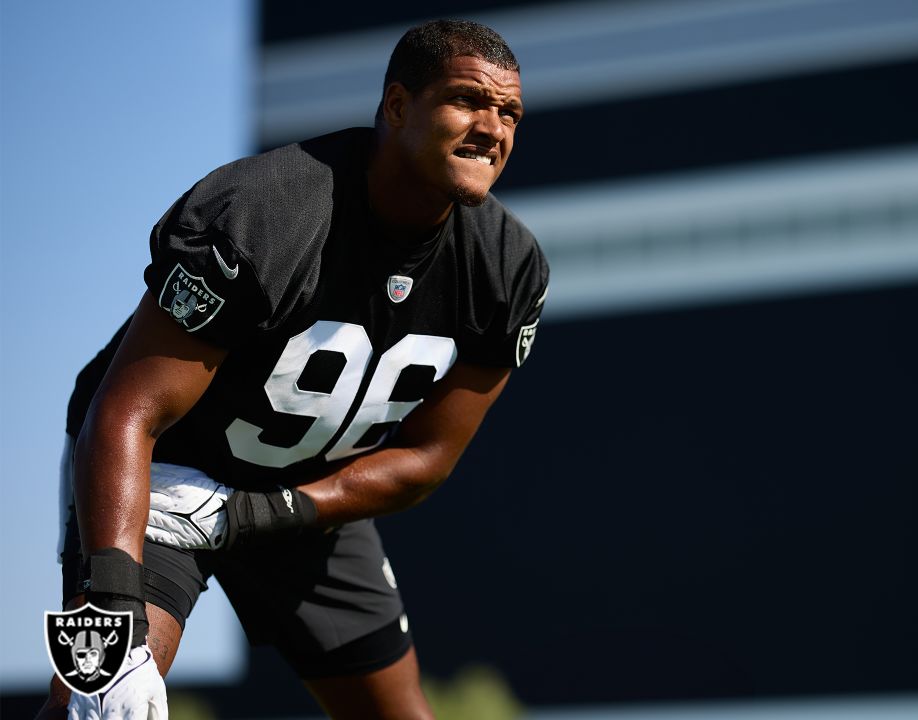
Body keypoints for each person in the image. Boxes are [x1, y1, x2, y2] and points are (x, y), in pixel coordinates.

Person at [38, 19, 547, 720]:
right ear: (398, 107)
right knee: (103, 708)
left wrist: (258, 515)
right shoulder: (265, 212)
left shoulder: (507, 268)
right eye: (469, 101)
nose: (494, 129)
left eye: (511, 113)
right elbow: (127, 412)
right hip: (163, 480)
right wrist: (115, 607)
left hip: (307, 497)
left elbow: (427, 459)